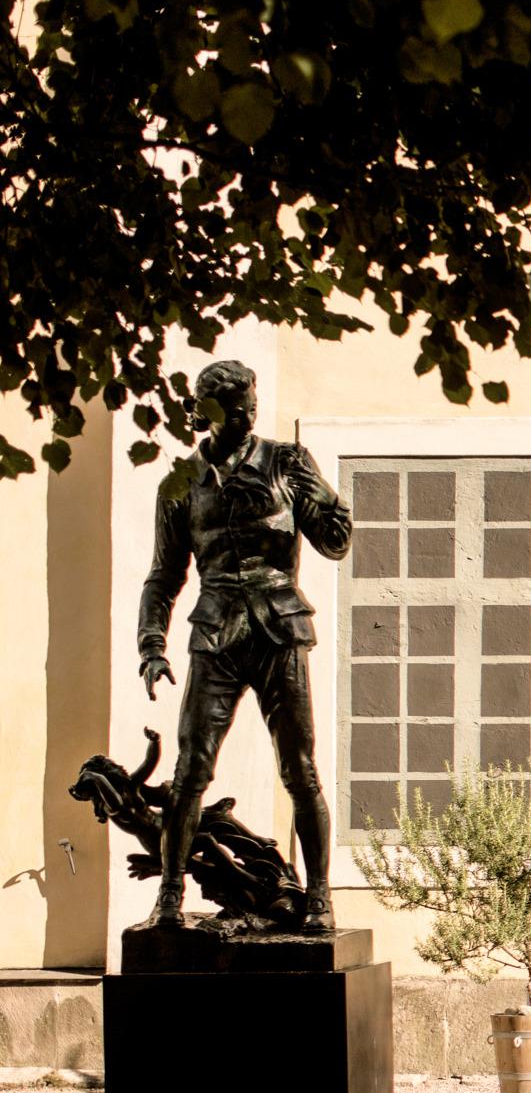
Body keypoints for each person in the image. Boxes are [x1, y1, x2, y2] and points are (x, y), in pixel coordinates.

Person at [135, 359, 353, 932]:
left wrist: (321, 493)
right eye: (236, 411)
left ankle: (319, 896)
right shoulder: (180, 484)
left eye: (252, 407)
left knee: (300, 769)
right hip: (215, 634)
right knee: (190, 769)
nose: (249, 417)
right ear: (207, 413)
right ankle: (169, 896)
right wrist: (152, 644)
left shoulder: (286, 462)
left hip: (280, 629)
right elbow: (164, 574)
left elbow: (334, 543)